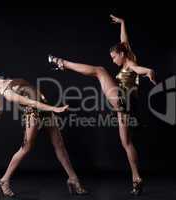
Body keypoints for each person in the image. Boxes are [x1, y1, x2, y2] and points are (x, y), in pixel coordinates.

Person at [48, 14, 156, 195]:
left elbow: (141, 70)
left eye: (114, 57)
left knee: (100, 71)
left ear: (122, 55)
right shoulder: (128, 56)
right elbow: (124, 42)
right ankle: (137, 178)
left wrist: (149, 71)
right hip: (126, 105)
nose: (113, 60)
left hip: (123, 99)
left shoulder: (130, 64)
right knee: (126, 143)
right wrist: (123, 23)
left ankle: (62, 63)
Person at [0, 46, 87, 197]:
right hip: (33, 113)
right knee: (26, 148)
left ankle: (74, 179)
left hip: (43, 107)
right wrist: (55, 109)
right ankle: (4, 179)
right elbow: (33, 104)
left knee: (59, 144)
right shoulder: (6, 93)